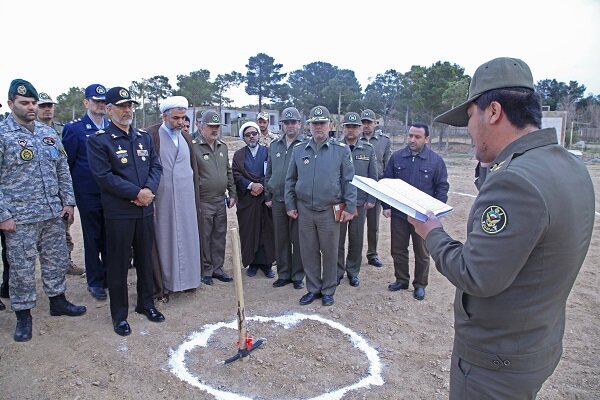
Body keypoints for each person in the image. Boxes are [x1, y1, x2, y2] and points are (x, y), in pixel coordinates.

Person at [410, 57, 595, 399]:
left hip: (494, 362)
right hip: (535, 343)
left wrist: (432, 233)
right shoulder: (568, 165)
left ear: (492, 112)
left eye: (469, 118)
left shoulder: (514, 181)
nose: (468, 130)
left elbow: (476, 275)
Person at [0, 79, 86, 342]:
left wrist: (68, 202)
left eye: (34, 103)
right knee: (22, 269)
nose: (31, 108)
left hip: (52, 214)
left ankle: (57, 300)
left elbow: (62, 168)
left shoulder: (47, 133)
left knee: (56, 260)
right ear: (10, 103)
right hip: (20, 218)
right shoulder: (3, 134)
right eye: (25, 103)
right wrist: (3, 214)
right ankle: (23, 315)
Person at [87, 86, 164, 337]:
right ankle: (119, 315)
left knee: (145, 259)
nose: (127, 110)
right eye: (121, 106)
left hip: (144, 210)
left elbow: (156, 166)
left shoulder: (143, 137)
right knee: (119, 264)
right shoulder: (99, 141)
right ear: (109, 109)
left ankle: (146, 304)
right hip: (119, 212)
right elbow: (103, 176)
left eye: (130, 105)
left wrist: (149, 190)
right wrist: (136, 193)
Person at [285, 106, 356, 306]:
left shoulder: (341, 151)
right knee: (308, 251)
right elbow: (290, 180)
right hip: (305, 209)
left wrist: (350, 207)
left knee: (330, 251)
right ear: (309, 126)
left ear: (330, 126)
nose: (318, 127)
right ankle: (313, 288)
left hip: (329, 209)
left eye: (322, 123)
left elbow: (349, 180)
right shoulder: (299, 150)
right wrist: (290, 204)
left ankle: (328, 290)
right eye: (315, 123)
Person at [383, 122, 449, 300]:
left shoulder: (435, 161)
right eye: (410, 135)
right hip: (399, 214)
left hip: (422, 217)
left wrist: (435, 213)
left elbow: (442, 188)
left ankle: (420, 284)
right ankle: (401, 279)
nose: (412, 140)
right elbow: (386, 182)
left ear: (427, 139)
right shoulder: (397, 157)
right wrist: (386, 206)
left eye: (417, 137)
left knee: (422, 252)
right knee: (398, 249)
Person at [145, 96, 202, 299]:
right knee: (165, 238)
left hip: (186, 198)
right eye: (176, 118)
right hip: (163, 199)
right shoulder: (152, 135)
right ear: (164, 116)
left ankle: (189, 281)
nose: (180, 122)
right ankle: (166, 284)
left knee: (188, 237)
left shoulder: (186, 137)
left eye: (182, 118)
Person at [62, 84, 111, 300]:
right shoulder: (75, 130)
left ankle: (109, 277)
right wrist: (70, 198)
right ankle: (95, 281)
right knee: (93, 238)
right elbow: (68, 165)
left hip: (111, 194)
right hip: (88, 193)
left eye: (103, 101)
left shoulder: (112, 126)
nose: (100, 105)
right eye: (96, 101)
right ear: (86, 103)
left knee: (110, 237)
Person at [36, 92, 85, 276]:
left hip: (58, 190)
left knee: (63, 229)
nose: (47, 109)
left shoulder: (63, 130)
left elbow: (67, 163)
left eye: (50, 105)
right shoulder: (28, 130)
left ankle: (67, 262)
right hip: (35, 192)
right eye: (43, 106)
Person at [191, 110, 237, 285]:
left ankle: (218, 268)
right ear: (201, 126)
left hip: (220, 200)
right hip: (204, 200)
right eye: (211, 126)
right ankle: (206, 269)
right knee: (205, 236)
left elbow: (228, 171)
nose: (214, 129)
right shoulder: (193, 146)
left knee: (219, 236)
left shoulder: (222, 147)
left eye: (217, 126)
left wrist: (232, 193)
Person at [265, 107, 306, 289]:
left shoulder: (306, 145)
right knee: (280, 238)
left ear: (299, 124)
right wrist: (268, 193)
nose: (290, 126)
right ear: (282, 124)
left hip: (297, 200)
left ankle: (297, 275)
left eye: (293, 122)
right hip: (278, 199)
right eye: (286, 122)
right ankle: (284, 273)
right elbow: (269, 172)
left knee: (297, 239)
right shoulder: (275, 145)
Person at [337, 112, 377, 287]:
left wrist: (371, 198)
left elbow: (372, 177)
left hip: (360, 202)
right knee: (337, 239)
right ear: (343, 128)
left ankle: (353, 271)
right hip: (339, 201)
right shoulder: (335, 147)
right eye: (348, 126)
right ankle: (337, 271)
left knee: (356, 238)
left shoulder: (368, 149)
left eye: (354, 126)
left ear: (360, 129)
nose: (351, 130)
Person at [232, 122, 275, 278]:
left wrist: (261, 186)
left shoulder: (268, 152)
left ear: (259, 135)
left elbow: (272, 172)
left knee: (267, 231)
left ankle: (267, 264)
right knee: (249, 231)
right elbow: (236, 174)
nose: (251, 136)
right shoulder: (238, 155)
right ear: (244, 137)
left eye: (254, 133)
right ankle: (252, 263)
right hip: (248, 200)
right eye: (248, 134)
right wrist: (250, 185)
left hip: (265, 199)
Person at [359, 109, 391, 268]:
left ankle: (372, 254)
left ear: (375, 123)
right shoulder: (353, 139)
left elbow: (386, 166)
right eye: (363, 122)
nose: (365, 125)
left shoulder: (384, 141)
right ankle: (354, 254)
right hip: (357, 187)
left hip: (375, 187)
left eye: (368, 122)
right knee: (354, 226)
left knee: (373, 225)